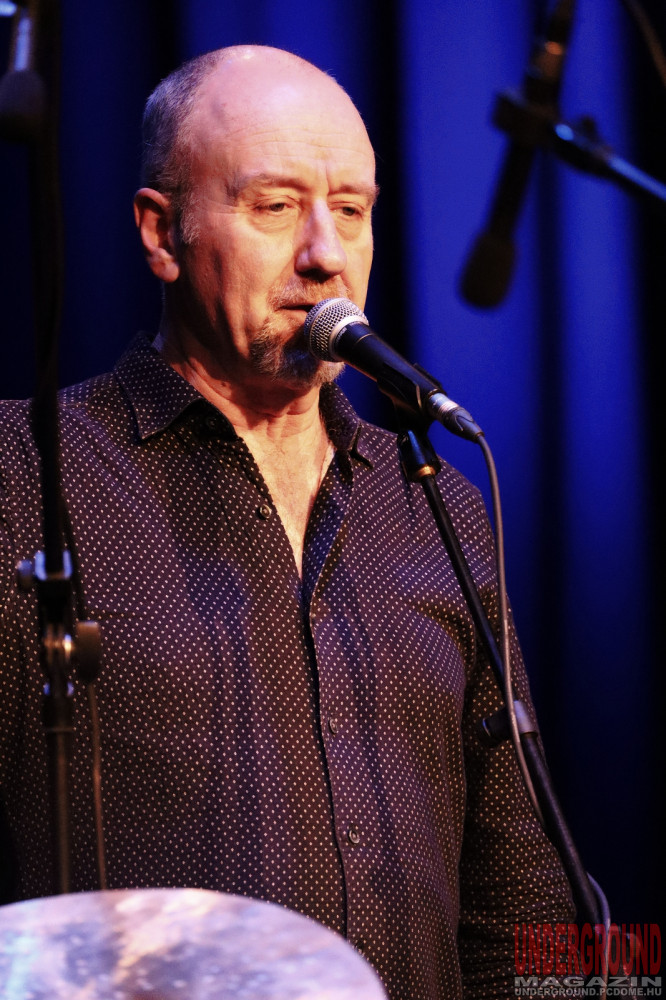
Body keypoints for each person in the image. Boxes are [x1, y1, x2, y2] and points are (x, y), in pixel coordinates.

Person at [0, 45, 574, 999]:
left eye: (351, 210)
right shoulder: (27, 473)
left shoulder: (434, 501)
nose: (326, 255)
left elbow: (521, 895)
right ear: (162, 232)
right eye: (275, 207)